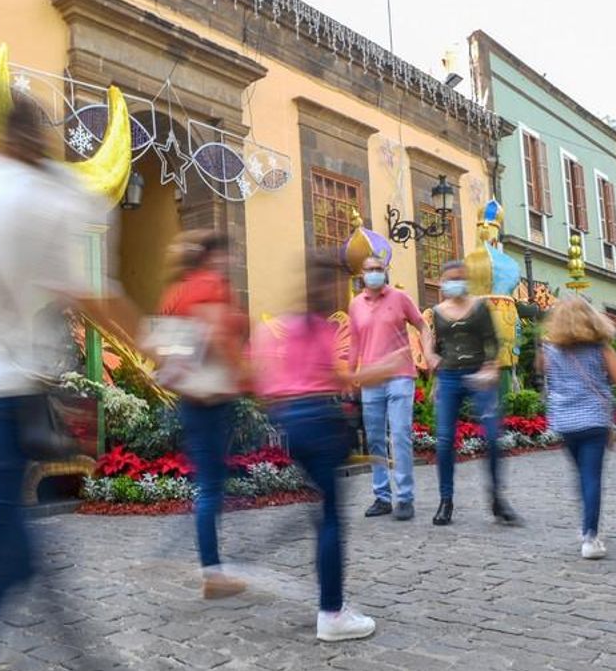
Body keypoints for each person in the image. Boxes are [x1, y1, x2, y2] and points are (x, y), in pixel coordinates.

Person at [0, 97, 142, 671]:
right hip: (0, 402)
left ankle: (81, 653)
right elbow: (90, 292)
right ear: (39, 139)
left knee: (14, 552)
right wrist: (155, 346)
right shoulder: (46, 198)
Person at [249, 251, 406, 642]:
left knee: (321, 510)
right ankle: (332, 612)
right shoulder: (320, 328)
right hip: (320, 422)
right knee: (332, 518)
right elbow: (342, 379)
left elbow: (257, 375)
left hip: (290, 425)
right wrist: (386, 368)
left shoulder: (280, 327)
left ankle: (329, 599)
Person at [158, 229, 250, 599]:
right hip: (213, 398)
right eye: (226, 254)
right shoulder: (210, 286)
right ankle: (212, 573)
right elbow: (216, 336)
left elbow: (166, 355)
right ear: (211, 256)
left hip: (190, 399)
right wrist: (245, 374)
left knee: (209, 485)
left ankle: (210, 564)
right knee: (212, 487)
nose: (230, 261)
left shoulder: (174, 294)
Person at [425, 260, 520, 527]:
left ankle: (497, 499)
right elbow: (434, 346)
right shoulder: (437, 311)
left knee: (491, 436)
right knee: (444, 441)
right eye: (449, 278)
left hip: (478, 375)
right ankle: (446, 500)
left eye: (459, 277)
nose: (455, 282)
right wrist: (433, 370)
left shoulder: (479, 308)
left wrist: (491, 368)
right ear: (442, 281)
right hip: (449, 377)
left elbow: (492, 342)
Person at [538, 295, 616, 559]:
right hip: (594, 421)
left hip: (565, 422)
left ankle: (587, 525)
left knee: (581, 475)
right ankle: (590, 536)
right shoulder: (601, 348)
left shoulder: (550, 349)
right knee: (592, 477)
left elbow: (545, 376)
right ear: (591, 318)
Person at [347, 255, 429, 521]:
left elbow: (421, 324)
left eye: (378, 269)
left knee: (400, 435)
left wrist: (426, 353)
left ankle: (405, 498)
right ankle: (382, 496)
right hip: (371, 379)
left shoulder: (400, 298)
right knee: (374, 440)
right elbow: (355, 342)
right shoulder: (356, 304)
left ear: (385, 272)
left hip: (400, 376)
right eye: (369, 269)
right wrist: (350, 375)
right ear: (362, 273)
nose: (374, 273)